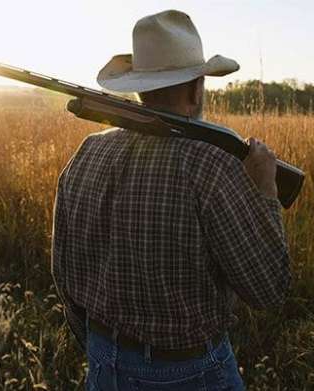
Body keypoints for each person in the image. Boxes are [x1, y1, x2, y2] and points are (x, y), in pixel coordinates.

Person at [51, 9, 290, 390]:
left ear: (139, 86)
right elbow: (267, 288)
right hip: (191, 373)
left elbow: (64, 274)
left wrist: (102, 349)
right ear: (197, 88)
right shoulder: (213, 164)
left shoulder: (87, 153)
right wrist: (264, 191)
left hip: (102, 363)